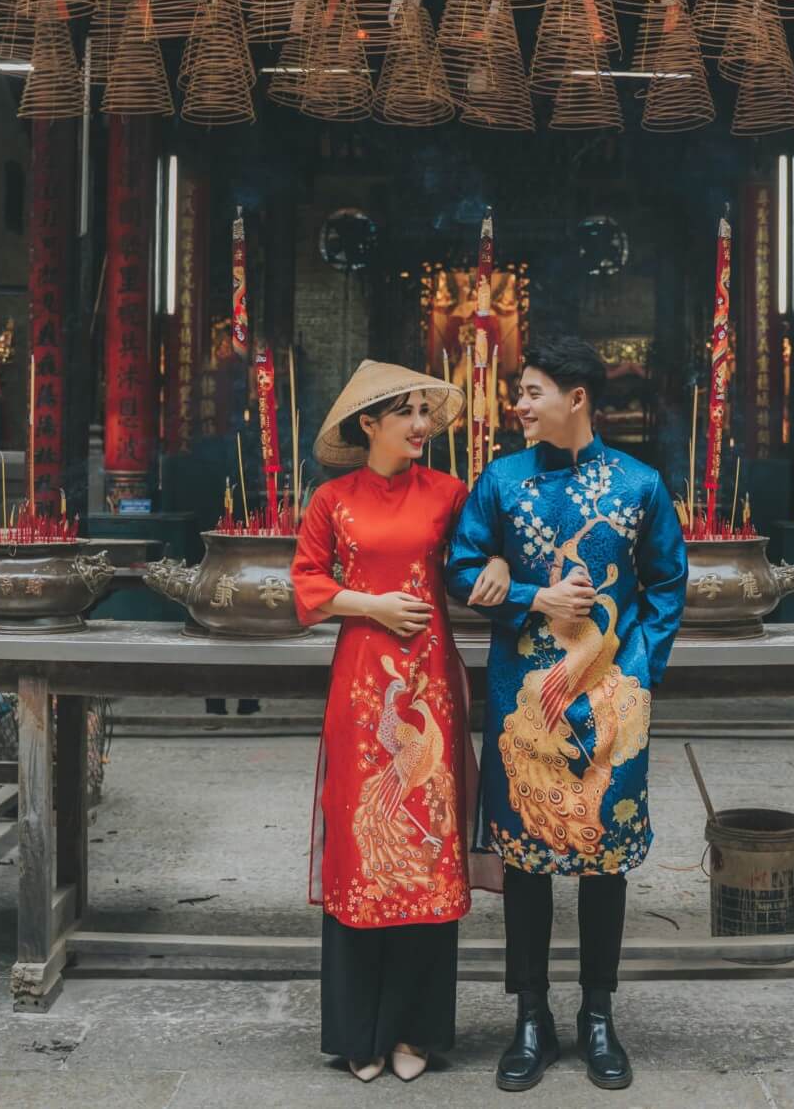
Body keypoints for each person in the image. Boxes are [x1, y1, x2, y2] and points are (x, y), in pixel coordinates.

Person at [448, 335, 688, 1092]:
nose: (518, 405)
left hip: (610, 700)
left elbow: (667, 588)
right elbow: (457, 565)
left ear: (575, 399)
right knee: (526, 860)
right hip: (526, 703)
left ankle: (597, 1015)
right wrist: (527, 595)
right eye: (520, 393)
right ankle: (529, 1017)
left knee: (603, 855)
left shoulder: (641, 486)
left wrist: (633, 678)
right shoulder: (500, 482)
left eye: (531, 392)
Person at [291, 360, 511, 1083]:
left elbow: (481, 552)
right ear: (369, 424)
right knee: (364, 843)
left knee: (425, 844)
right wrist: (373, 605)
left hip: (430, 689)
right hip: (361, 692)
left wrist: (502, 568)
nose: (422, 425)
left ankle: (416, 1030)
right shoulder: (333, 499)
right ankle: (360, 1032)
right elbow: (308, 583)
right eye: (407, 413)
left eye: (425, 411)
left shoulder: (448, 494)